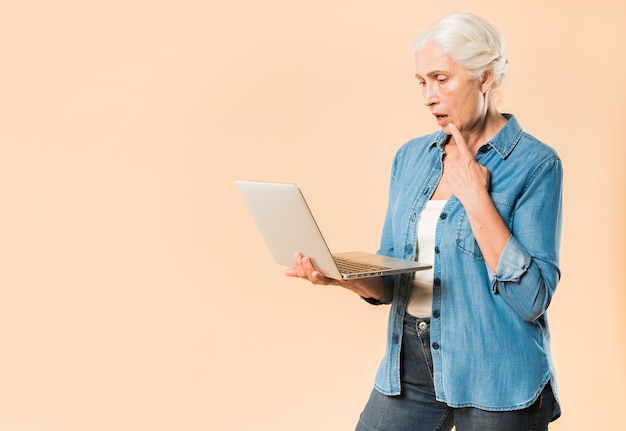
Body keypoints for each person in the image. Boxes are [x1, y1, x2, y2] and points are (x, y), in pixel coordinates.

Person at [286, 11, 563, 431]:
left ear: (485, 78)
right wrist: (341, 277)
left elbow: (532, 299)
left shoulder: (536, 164)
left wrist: (476, 198)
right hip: (411, 362)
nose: (428, 97)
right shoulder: (411, 158)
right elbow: (392, 277)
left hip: (497, 370)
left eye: (441, 79)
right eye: (422, 82)